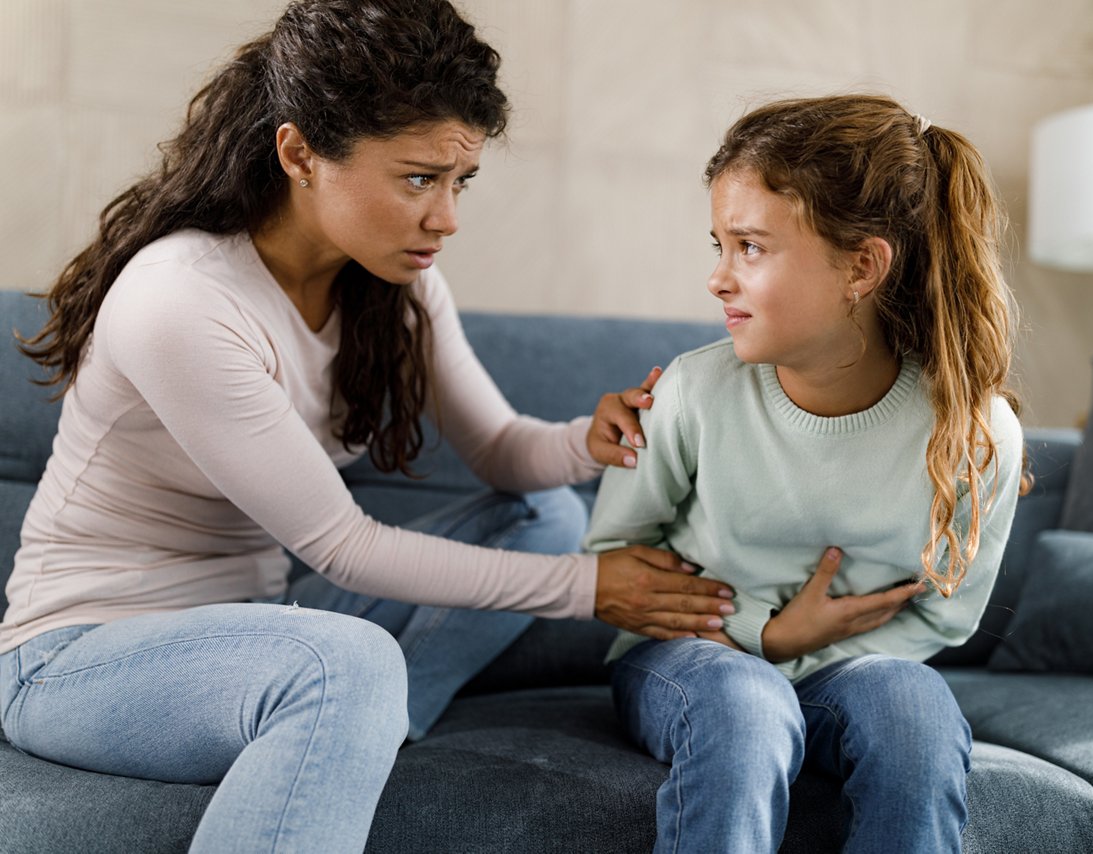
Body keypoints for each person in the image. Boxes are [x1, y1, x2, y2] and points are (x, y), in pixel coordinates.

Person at [0, 1, 737, 851]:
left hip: (262, 620)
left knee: (544, 516)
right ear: (299, 153)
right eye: (419, 178)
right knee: (343, 662)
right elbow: (343, 548)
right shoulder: (181, 300)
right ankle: (349, 709)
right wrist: (590, 589)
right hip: (79, 659)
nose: (447, 217)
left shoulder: (398, 282)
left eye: (460, 181)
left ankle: (348, 727)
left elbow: (499, 453)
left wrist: (587, 439)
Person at [583, 94, 1031, 853]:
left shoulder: (979, 432)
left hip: (851, 674)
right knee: (746, 702)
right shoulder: (692, 392)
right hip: (692, 665)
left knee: (915, 708)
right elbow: (610, 569)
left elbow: (945, 616)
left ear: (862, 266)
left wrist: (806, 651)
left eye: (749, 248)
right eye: (718, 245)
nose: (717, 279)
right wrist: (766, 637)